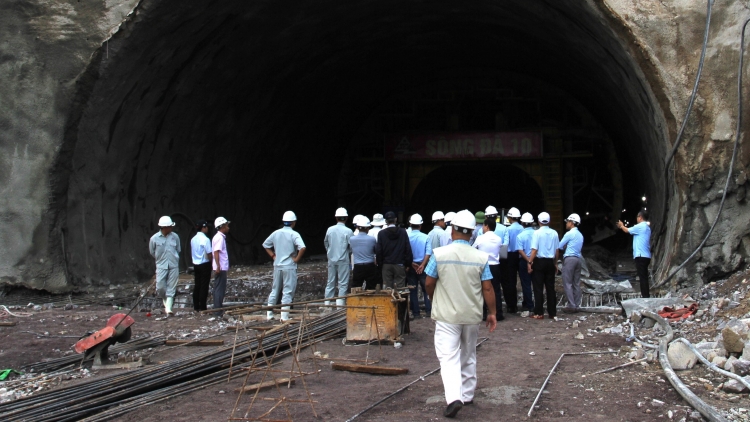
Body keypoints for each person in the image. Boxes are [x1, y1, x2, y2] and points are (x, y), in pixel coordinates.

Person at [425, 210, 497, 418]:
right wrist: (492, 312)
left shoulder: (440, 254)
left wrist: (433, 298)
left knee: (448, 357)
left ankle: (454, 398)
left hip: (447, 316)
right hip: (471, 315)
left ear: (453, 229)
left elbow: (429, 282)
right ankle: (467, 395)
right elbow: (488, 288)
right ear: (472, 232)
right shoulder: (481, 257)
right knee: (468, 353)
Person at [263, 211, 306, 321]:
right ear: (293, 222)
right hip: (289, 266)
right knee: (288, 291)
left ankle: (269, 314)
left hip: (277, 265)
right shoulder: (294, 234)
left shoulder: (276, 233)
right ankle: (284, 316)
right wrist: (296, 259)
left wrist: (273, 256)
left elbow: (265, 245)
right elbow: (302, 247)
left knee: (275, 289)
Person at [528, 212, 560, 320]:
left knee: (538, 288)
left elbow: (534, 250)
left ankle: (539, 312)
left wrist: (529, 262)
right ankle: (552, 312)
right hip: (550, 262)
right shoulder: (554, 233)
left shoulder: (536, 233)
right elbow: (557, 250)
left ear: (538, 221)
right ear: (549, 221)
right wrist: (555, 263)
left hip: (539, 262)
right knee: (550, 288)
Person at [472, 217, 504, 321]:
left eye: (484, 226)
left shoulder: (480, 238)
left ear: (487, 226)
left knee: (482, 289)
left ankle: (483, 313)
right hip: (495, 265)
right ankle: (497, 313)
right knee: (496, 290)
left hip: (483, 265)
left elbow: (472, 249)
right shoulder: (498, 239)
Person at [149, 216, 181, 316]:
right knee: (160, 287)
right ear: (164, 227)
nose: (171, 228)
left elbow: (178, 249)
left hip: (173, 265)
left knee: (171, 287)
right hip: (161, 265)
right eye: (169, 227)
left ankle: (169, 308)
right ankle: (166, 302)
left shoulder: (175, 237)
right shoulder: (154, 239)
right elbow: (152, 251)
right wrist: (160, 259)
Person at [485, 206, 514, 312]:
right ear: (497, 216)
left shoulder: (484, 229)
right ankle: (509, 306)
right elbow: (505, 244)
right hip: (501, 259)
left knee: (486, 285)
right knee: (504, 284)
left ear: (486, 217)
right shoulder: (504, 228)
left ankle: (486, 309)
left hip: (487, 261)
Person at [617, 210, 652, 298]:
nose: (636, 218)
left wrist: (621, 226)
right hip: (647, 256)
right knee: (644, 277)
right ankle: (645, 295)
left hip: (641, 255)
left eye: (637, 217)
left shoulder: (640, 226)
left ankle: (645, 297)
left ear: (640, 217)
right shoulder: (647, 228)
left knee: (642, 277)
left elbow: (627, 230)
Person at [375, 211, 413, 289]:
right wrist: (408, 263)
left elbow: (379, 251)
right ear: (396, 219)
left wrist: (380, 264)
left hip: (386, 264)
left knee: (387, 289)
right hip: (399, 264)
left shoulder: (381, 233)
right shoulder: (403, 232)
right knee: (400, 289)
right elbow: (407, 248)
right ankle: (399, 301)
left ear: (385, 221)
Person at [324, 208, 353, 308]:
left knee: (330, 281)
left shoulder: (330, 229)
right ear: (346, 218)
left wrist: (330, 252)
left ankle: (327, 303)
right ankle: (340, 306)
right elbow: (351, 247)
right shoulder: (348, 231)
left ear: (336, 218)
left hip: (331, 259)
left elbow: (326, 243)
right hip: (343, 259)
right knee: (343, 283)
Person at [407, 214, 432, 319]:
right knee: (426, 289)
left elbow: (405, 252)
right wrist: (422, 265)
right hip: (423, 267)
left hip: (411, 267)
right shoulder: (426, 237)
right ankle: (428, 311)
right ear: (421, 225)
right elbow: (428, 252)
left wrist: (412, 263)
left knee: (413, 290)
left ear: (410, 224)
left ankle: (416, 313)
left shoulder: (407, 237)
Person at [559, 213, 584, 312]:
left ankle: (571, 305)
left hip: (569, 259)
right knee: (576, 283)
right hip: (578, 259)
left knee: (567, 282)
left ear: (572, 223)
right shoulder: (580, 235)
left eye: (568, 222)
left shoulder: (569, 234)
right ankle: (576, 304)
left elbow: (560, 246)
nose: (566, 223)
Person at [350, 216, 381, 290]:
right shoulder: (372, 239)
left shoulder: (352, 239)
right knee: (371, 288)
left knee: (356, 288)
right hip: (370, 266)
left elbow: (351, 250)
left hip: (358, 266)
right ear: (367, 228)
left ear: (357, 227)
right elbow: (375, 251)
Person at [190, 219, 213, 312]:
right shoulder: (206, 239)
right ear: (203, 228)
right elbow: (209, 253)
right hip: (204, 263)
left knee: (197, 285)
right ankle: (203, 306)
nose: (207, 228)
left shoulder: (193, 239)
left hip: (196, 264)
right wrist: (212, 262)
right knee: (204, 285)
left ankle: (196, 306)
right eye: (206, 227)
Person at [515, 212, 536, 311]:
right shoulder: (536, 234)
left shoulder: (520, 236)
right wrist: (532, 260)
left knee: (526, 284)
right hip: (536, 260)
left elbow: (520, 250)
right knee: (536, 283)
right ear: (532, 223)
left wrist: (528, 261)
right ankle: (537, 304)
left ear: (522, 223)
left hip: (524, 261)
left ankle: (529, 305)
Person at [505, 207, 524, 312]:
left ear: (510, 217)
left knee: (511, 281)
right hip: (521, 255)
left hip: (510, 256)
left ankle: (512, 305)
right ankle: (526, 304)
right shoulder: (522, 229)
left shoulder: (508, 229)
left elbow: (506, 244)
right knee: (524, 280)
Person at [211, 216, 231, 316]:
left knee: (218, 288)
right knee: (219, 289)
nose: (228, 227)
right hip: (221, 267)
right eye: (227, 225)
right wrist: (218, 266)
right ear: (222, 226)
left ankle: (217, 308)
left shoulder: (219, 237)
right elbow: (216, 252)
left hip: (220, 267)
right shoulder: (219, 238)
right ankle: (218, 310)